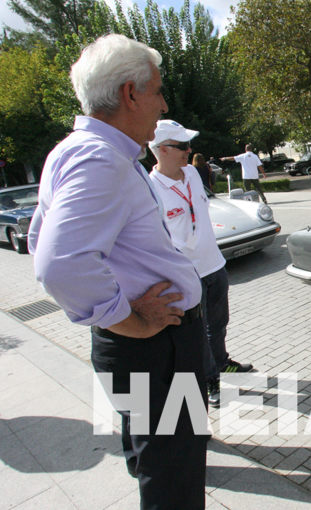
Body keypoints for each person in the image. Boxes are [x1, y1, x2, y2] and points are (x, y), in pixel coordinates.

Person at [27, 34, 208, 509]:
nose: (163, 103)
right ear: (130, 94)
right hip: (156, 346)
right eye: (158, 90)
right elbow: (58, 265)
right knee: (175, 476)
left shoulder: (76, 151)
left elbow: (37, 241)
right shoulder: (99, 158)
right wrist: (129, 318)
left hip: (145, 348)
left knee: (158, 461)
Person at [148, 119, 253, 409]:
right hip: (186, 274)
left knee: (218, 324)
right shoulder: (150, 187)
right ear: (162, 149)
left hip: (214, 265)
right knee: (197, 332)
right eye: (182, 146)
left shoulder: (193, 173)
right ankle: (209, 381)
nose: (189, 150)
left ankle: (222, 363)